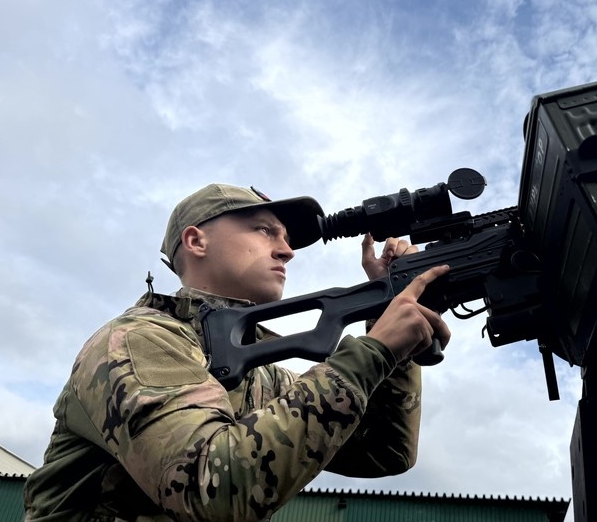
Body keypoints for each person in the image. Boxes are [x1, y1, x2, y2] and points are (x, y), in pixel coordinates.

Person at [23, 184, 451, 521]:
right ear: (196, 241)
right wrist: (373, 352)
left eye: (286, 238)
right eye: (265, 230)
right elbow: (211, 492)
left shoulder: (258, 372)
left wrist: (389, 326)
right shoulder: (137, 341)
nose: (287, 250)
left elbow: (384, 451)